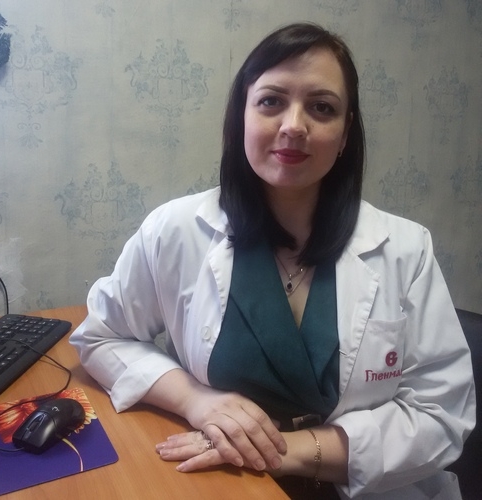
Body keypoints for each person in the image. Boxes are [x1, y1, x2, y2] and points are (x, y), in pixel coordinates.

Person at [70, 23, 476, 499]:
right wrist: (196, 401)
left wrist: (283, 451)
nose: (294, 126)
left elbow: (440, 415)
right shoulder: (175, 229)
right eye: (271, 101)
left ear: (345, 133)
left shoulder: (405, 249)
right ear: (240, 117)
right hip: (224, 484)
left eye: (321, 107)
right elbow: (101, 336)